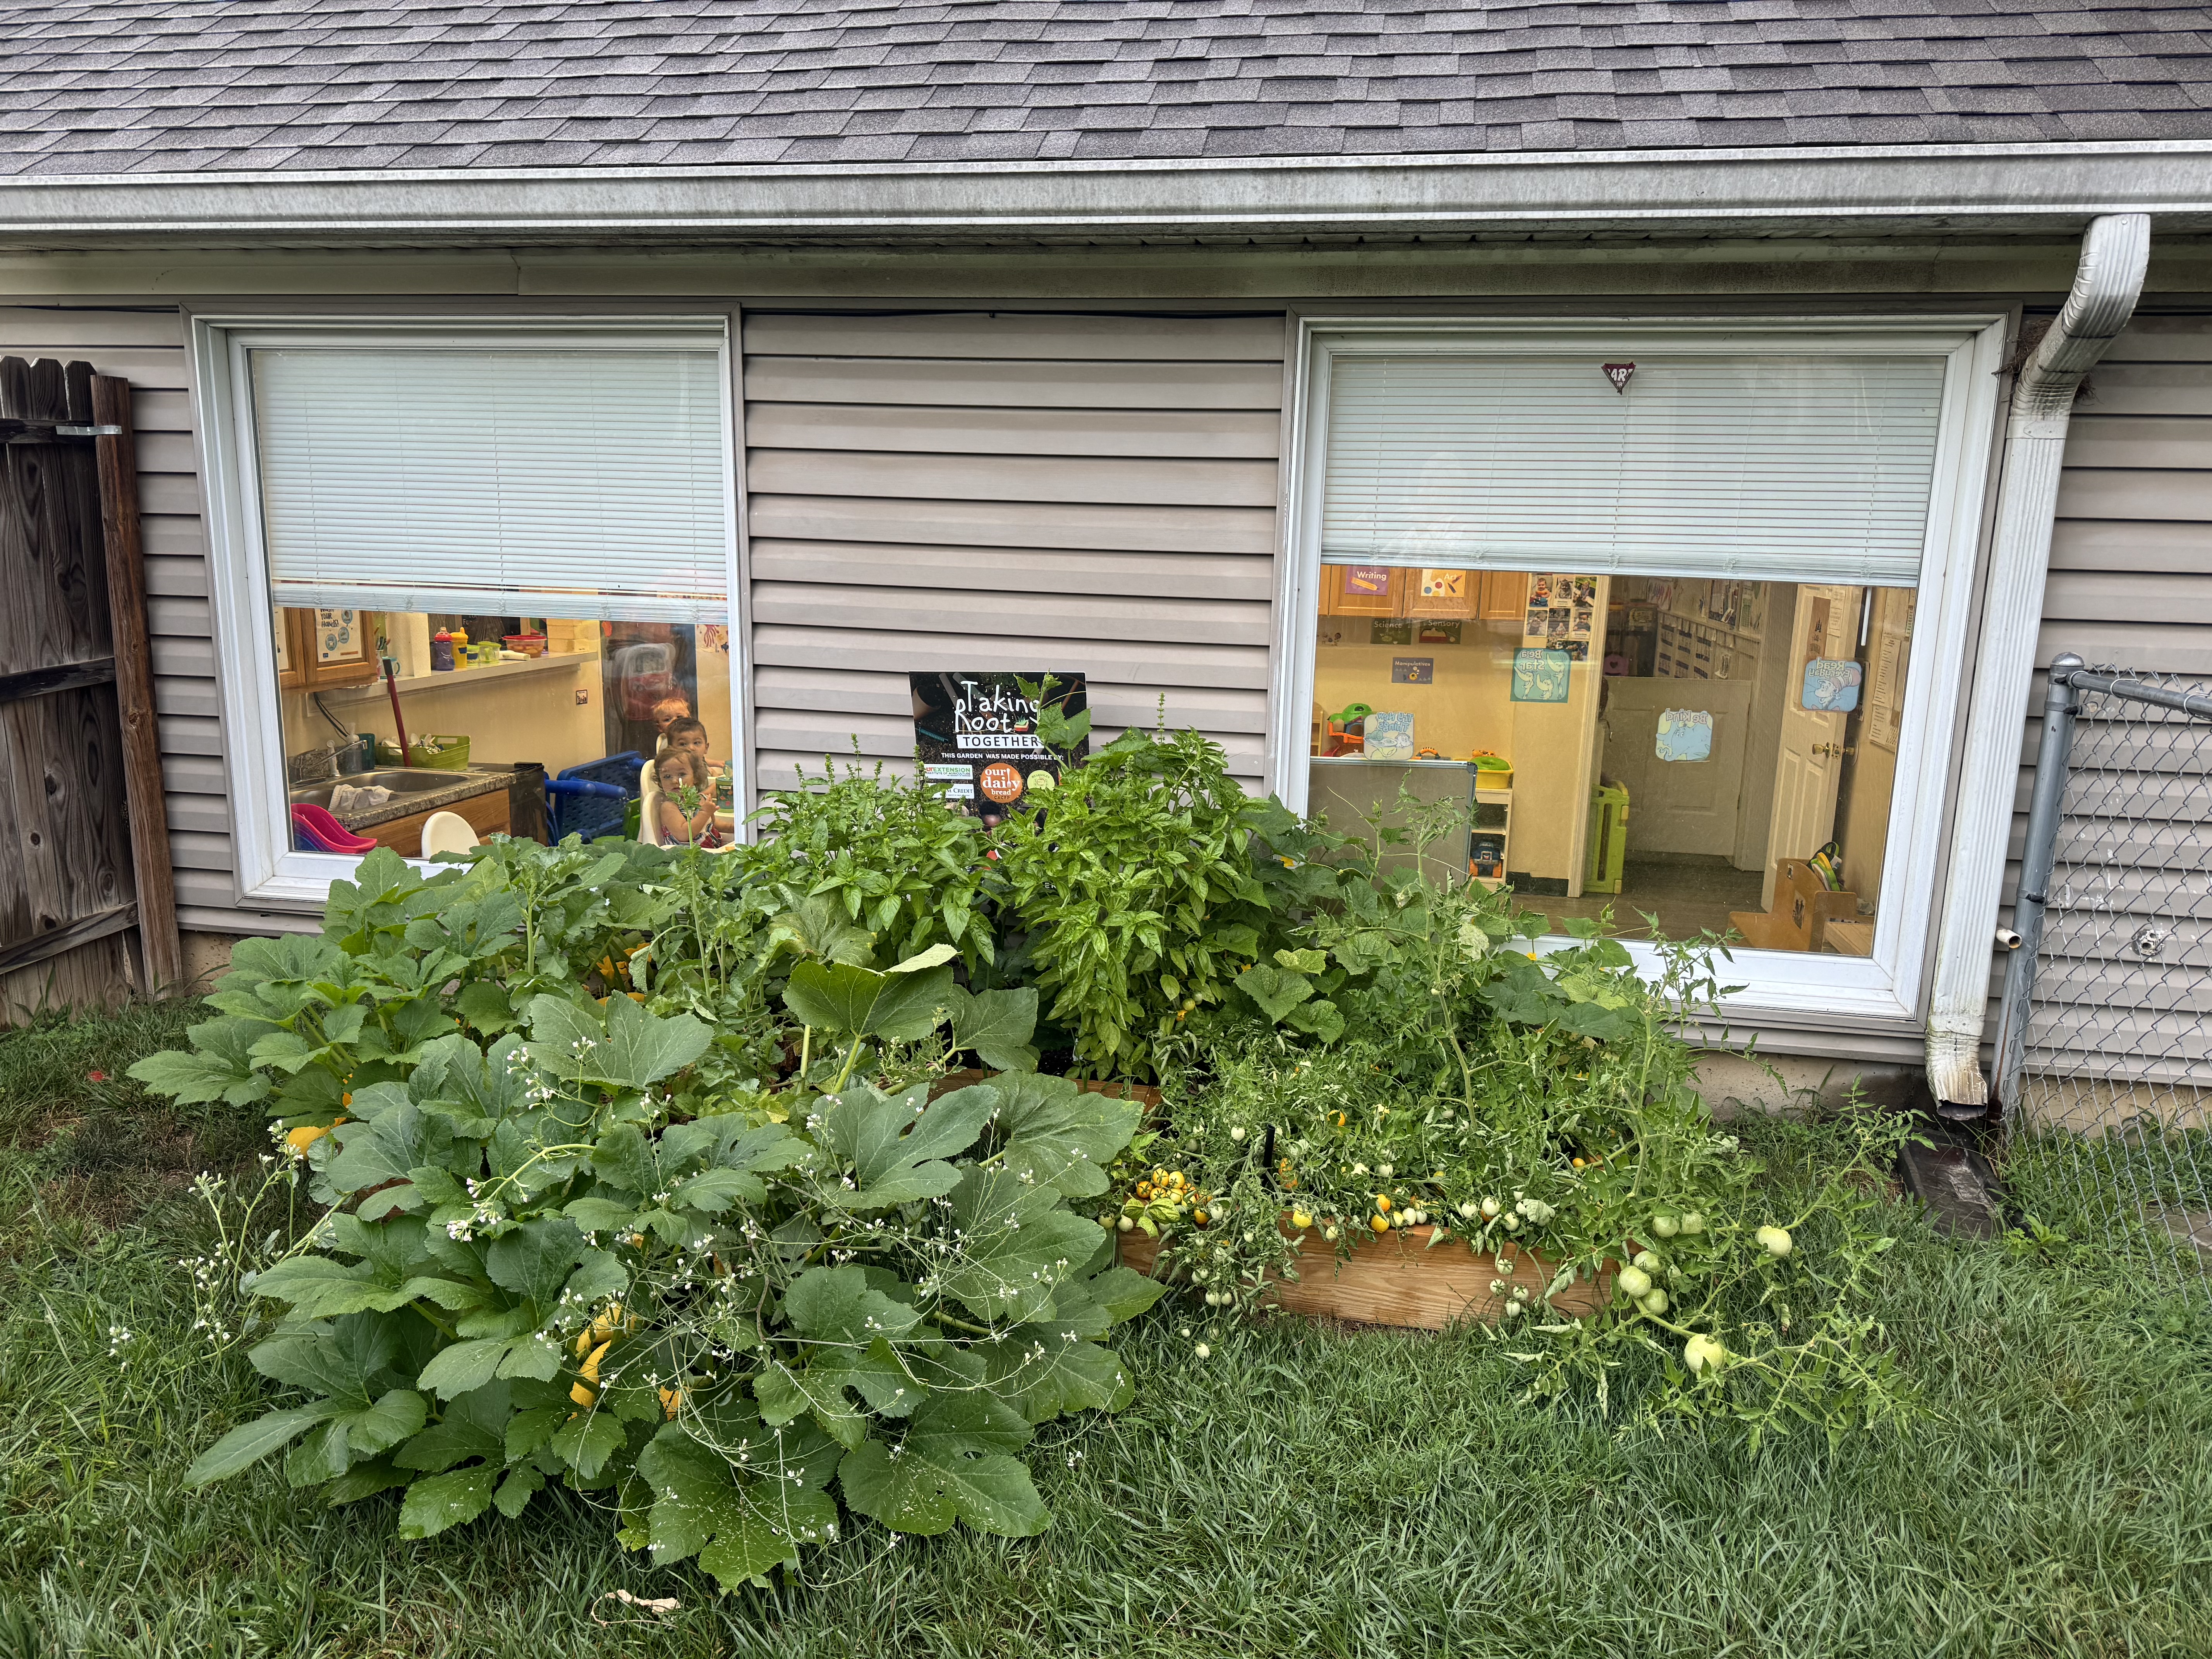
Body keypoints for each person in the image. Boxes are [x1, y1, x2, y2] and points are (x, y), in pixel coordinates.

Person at [653, 750, 721, 849]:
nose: (675, 781)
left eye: (682, 774)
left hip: (709, 851)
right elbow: (684, 835)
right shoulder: (669, 807)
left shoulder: (702, 799)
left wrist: (733, 828)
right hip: (686, 857)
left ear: (696, 777)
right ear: (660, 782)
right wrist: (705, 813)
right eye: (667, 777)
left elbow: (711, 824)